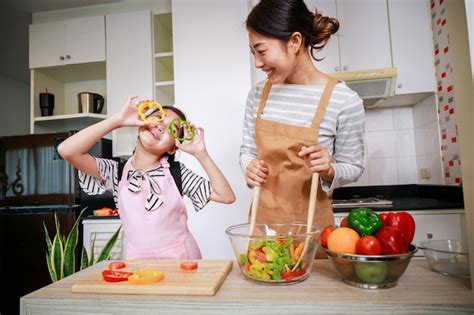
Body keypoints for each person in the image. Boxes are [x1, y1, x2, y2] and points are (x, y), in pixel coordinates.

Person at [240, 0, 365, 249]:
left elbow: (353, 166)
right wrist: (249, 167)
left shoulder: (344, 100)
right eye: (252, 53)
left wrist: (329, 170)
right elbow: (248, 151)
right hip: (265, 226)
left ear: (295, 42)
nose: (257, 63)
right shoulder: (258, 94)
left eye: (261, 51)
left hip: (313, 231)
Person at [58, 96, 235, 259]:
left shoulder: (177, 173)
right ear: (141, 122)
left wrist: (201, 153)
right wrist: (117, 121)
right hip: (138, 264)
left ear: (173, 148)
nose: (160, 127)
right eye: (158, 118)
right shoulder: (115, 172)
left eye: (170, 129)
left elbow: (226, 196)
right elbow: (66, 150)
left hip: (183, 262)